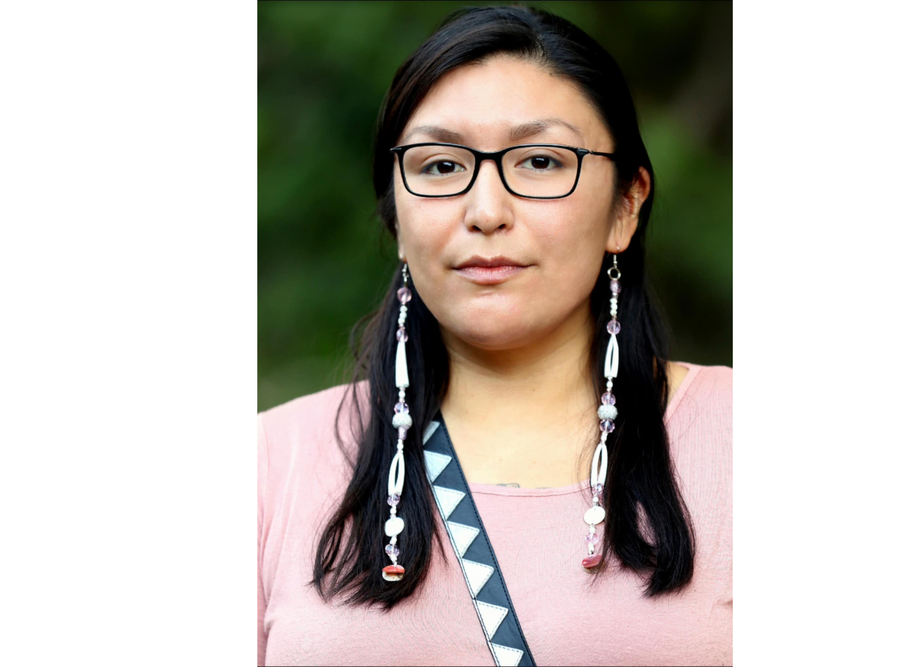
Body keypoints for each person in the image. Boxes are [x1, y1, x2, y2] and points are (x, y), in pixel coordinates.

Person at [258, 5, 731, 665]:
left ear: (626, 204)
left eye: (539, 160)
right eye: (441, 166)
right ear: (396, 215)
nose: (486, 212)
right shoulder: (267, 467)